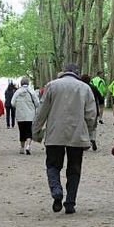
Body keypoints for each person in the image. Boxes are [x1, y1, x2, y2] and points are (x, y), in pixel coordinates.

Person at [32, 64, 97, 214]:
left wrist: (36, 131)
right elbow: (91, 114)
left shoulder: (52, 86)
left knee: (53, 166)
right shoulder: (85, 88)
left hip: (55, 134)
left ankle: (56, 190)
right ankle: (70, 203)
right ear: (77, 73)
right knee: (74, 169)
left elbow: (42, 111)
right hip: (77, 134)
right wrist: (90, 132)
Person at [11, 77, 40, 155]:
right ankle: (28, 146)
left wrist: (18, 105)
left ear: (21, 83)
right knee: (29, 131)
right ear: (28, 83)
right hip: (30, 115)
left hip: (20, 115)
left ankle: (22, 148)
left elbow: (12, 103)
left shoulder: (17, 92)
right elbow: (37, 103)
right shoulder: (31, 91)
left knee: (22, 131)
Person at [81, 74, 103, 151]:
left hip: (81, 110)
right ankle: (92, 139)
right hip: (93, 109)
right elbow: (101, 99)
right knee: (93, 127)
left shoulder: (80, 88)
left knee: (83, 126)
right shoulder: (93, 88)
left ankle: (85, 142)